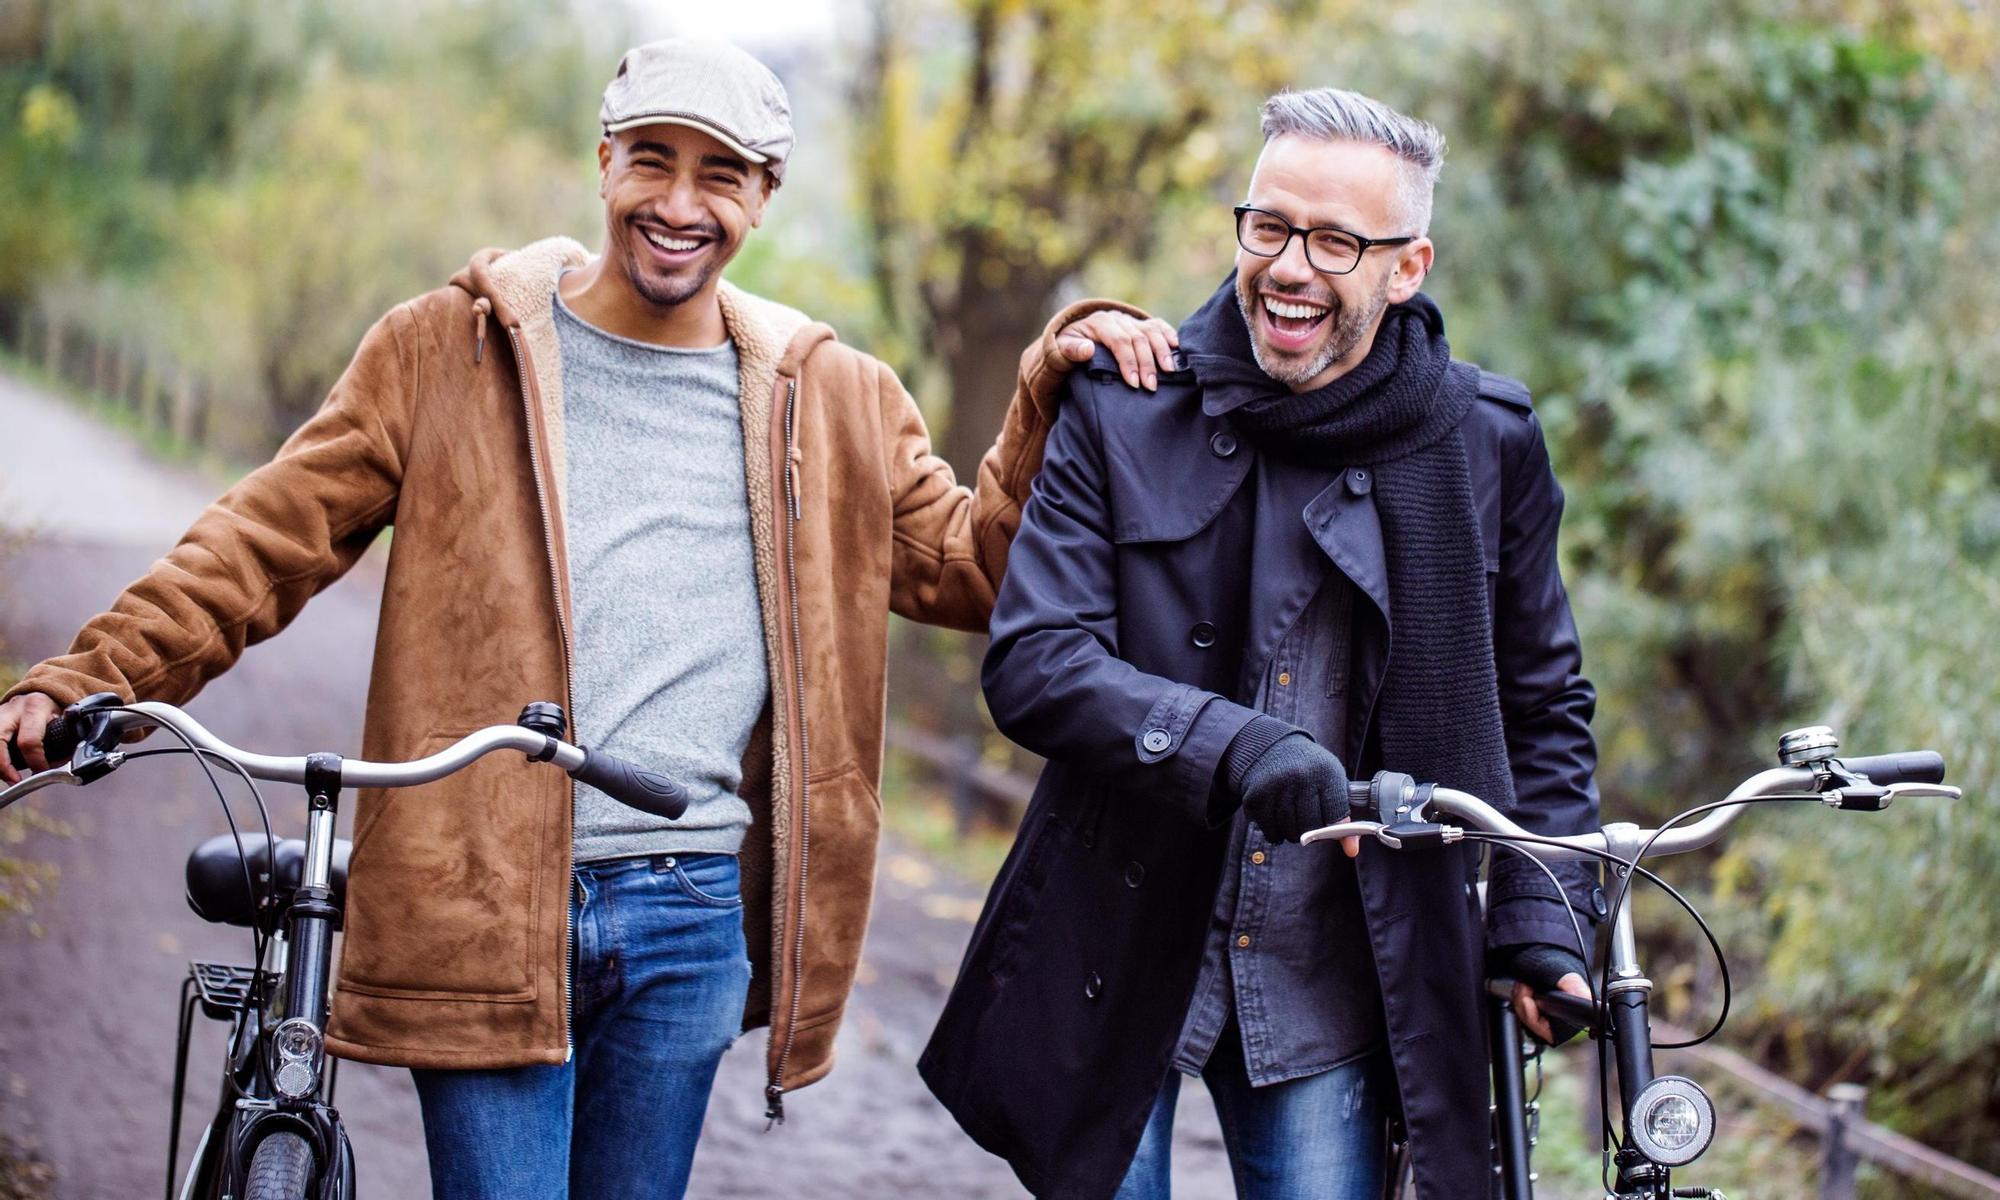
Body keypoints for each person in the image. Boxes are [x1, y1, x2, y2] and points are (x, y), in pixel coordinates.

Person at [0, 37, 1175, 1200]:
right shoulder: (446, 352)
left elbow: (979, 572)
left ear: (763, 196)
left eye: (718, 174)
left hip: (691, 914)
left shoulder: (831, 401)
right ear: (602, 160)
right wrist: (90, 675)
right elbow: (262, 542)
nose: (676, 203)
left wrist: (1042, 397)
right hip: (483, 892)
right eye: (650, 161)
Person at [919, 87, 1605, 1199]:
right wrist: (1230, 747)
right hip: (1114, 941)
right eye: (1269, 225)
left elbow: (1540, 706)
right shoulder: (1124, 403)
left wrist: (1542, 920)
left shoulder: (1486, 445)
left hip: (1338, 977)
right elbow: (1034, 659)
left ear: (1407, 265)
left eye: (1337, 240)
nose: (1289, 265)